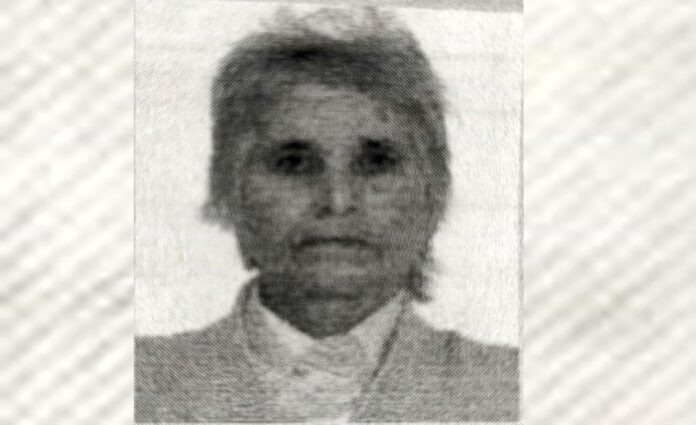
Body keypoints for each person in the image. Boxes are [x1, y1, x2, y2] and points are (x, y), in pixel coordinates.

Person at [135, 6, 518, 423]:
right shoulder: (137, 384)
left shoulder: (510, 390)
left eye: (376, 163)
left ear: (435, 193)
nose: (337, 200)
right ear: (226, 190)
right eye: (294, 163)